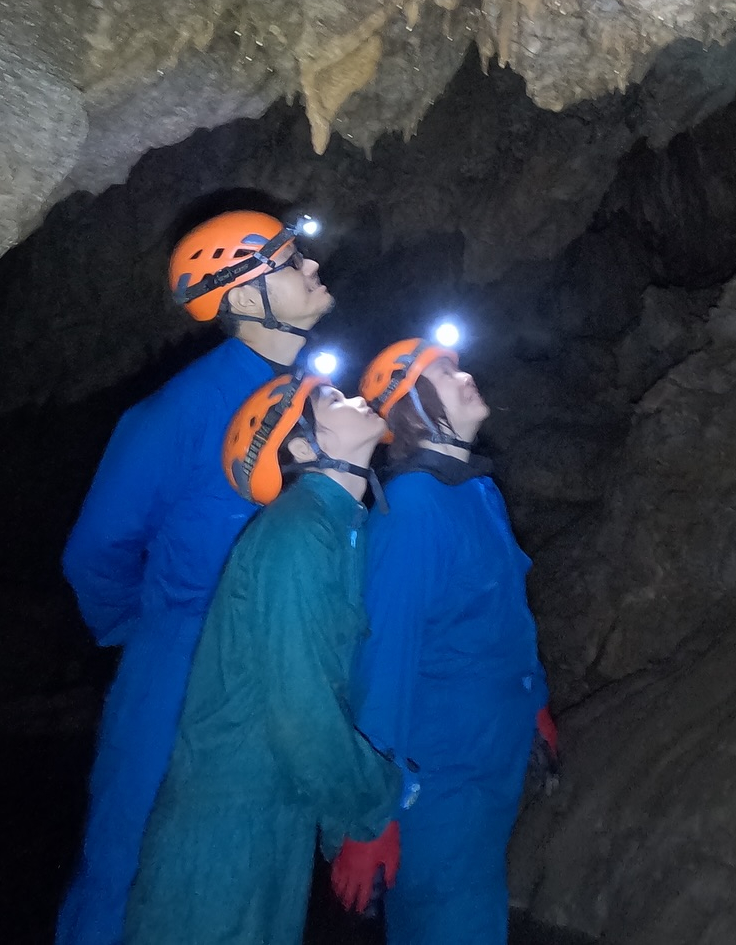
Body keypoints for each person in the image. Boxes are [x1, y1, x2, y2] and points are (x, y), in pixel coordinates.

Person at [57, 210, 334, 945]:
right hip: (182, 667)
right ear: (243, 298)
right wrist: (149, 629)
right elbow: (96, 551)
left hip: (274, 670)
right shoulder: (175, 414)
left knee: (256, 875)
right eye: (286, 260)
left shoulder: (312, 399)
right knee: (131, 861)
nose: (310, 265)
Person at [124, 371, 402, 945]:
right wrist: (375, 805)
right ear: (302, 447)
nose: (358, 395)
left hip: (272, 822)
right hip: (225, 837)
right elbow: (302, 712)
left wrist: (341, 825)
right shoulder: (297, 537)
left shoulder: (340, 530)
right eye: (333, 399)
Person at [331, 334, 557, 945]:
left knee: (471, 912)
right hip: (437, 776)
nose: (465, 377)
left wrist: (532, 703)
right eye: (446, 374)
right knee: (449, 923)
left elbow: (506, 613)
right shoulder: (412, 511)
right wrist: (372, 814)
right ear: (413, 408)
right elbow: (384, 661)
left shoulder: (476, 491)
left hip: (488, 759)